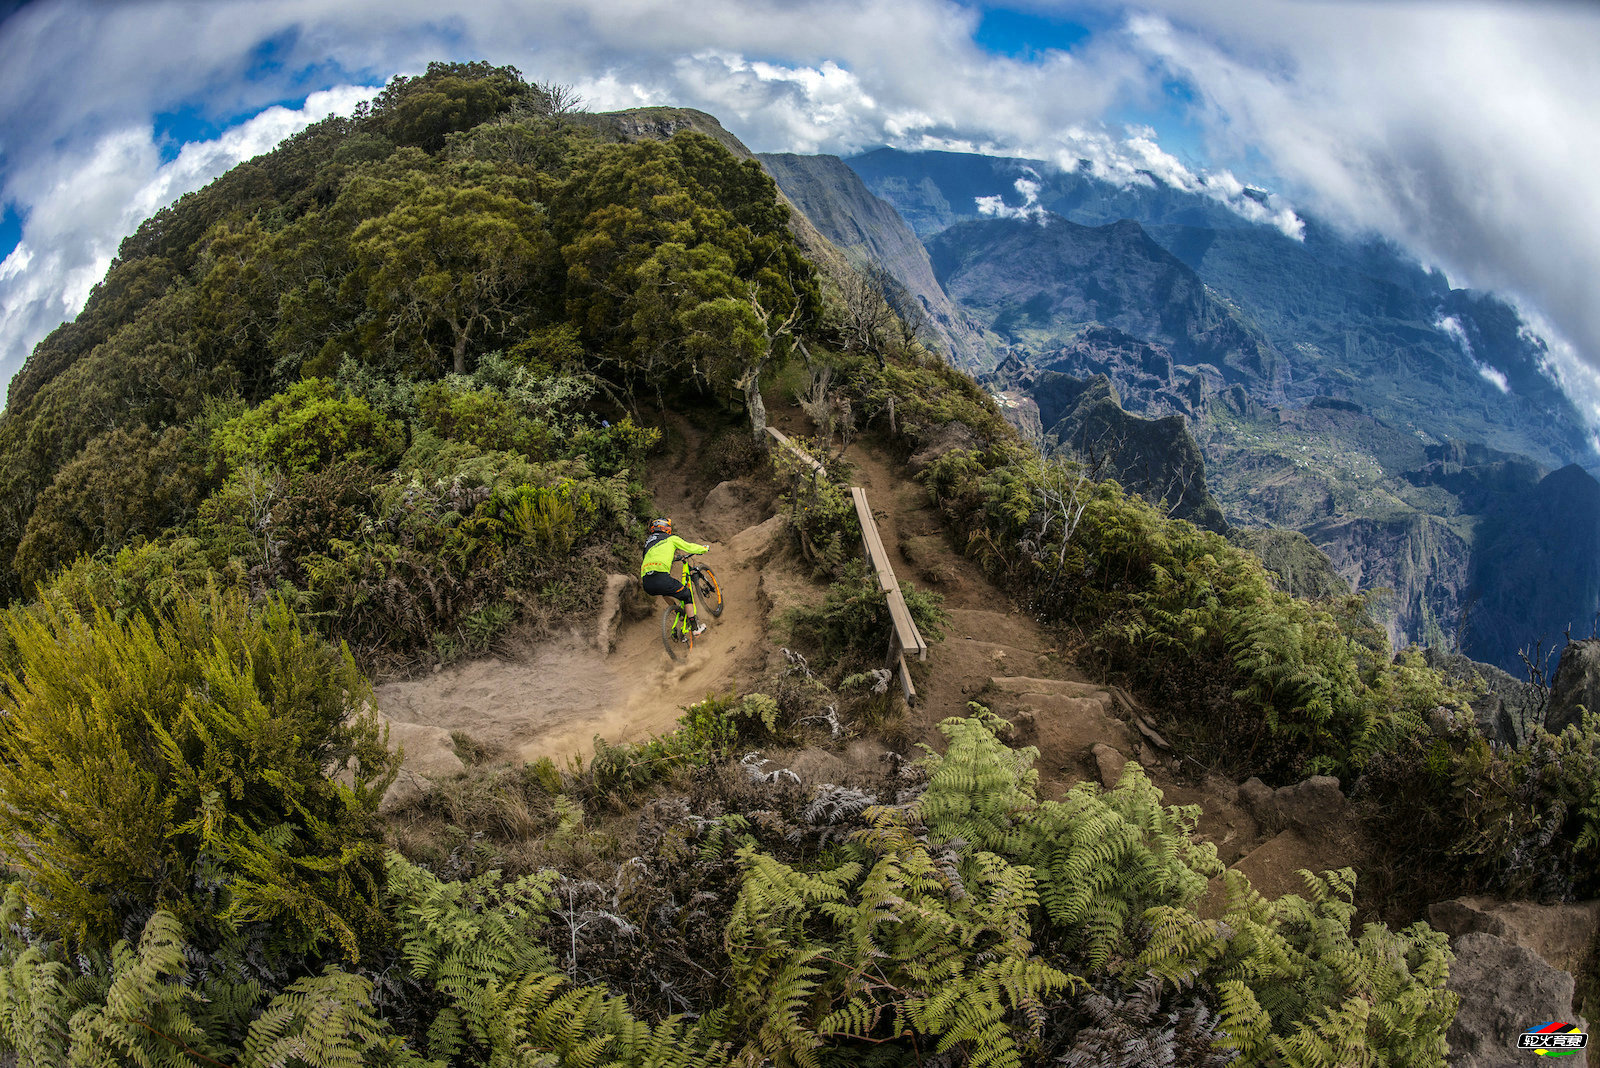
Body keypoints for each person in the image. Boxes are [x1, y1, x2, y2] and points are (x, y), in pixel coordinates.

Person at [640, 518, 709, 635]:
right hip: (661, 578)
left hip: (647, 583)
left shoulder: (648, 543)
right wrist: (704, 549)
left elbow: (655, 556)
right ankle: (695, 628)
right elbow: (690, 547)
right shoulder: (671, 539)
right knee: (687, 595)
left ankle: (680, 613)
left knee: (665, 592)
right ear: (666, 528)